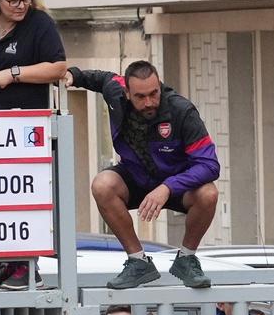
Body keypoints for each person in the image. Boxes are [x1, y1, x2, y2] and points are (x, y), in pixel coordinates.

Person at [67, 61, 222, 289]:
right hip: (137, 178)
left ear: (159, 86)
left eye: (154, 93)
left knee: (209, 193)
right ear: (127, 92)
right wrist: (72, 75)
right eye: (140, 96)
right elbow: (100, 78)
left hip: (177, 185)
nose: (149, 102)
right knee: (102, 185)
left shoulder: (182, 111)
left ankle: (187, 259)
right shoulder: (115, 91)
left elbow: (210, 165)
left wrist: (168, 187)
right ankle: (138, 262)